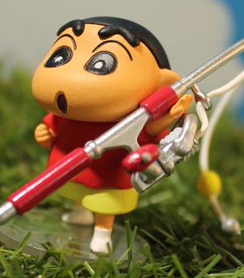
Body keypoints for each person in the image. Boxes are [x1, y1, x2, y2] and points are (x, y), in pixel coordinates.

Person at [31, 17, 191, 253]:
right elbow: (54, 124)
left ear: (161, 85)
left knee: (104, 199)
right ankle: (80, 212)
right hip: (69, 163)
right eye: (61, 56)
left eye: (102, 64)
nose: (70, 75)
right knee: (76, 188)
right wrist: (47, 132)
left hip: (108, 171)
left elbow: (151, 131)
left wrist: (170, 114)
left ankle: (102, 231)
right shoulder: (70, 115)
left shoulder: (133, 120)